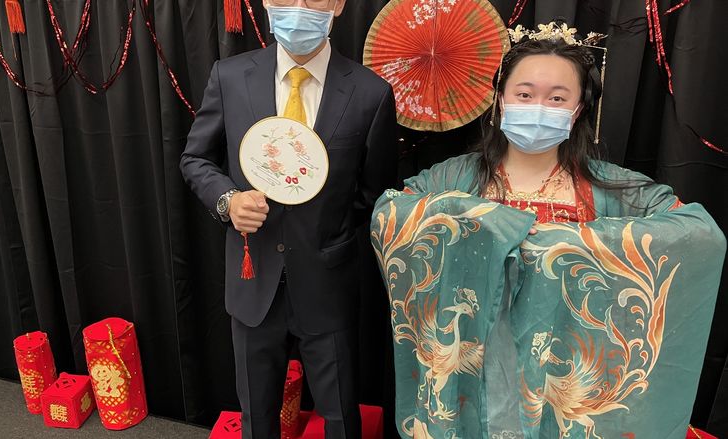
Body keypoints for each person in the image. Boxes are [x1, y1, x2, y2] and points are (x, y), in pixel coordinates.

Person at [370, 24, 726, 439]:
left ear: (577, 111)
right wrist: (474, 216)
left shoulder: (611, 186)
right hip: (476, 357)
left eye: (557, 98)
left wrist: (570, 242)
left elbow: (698, 231)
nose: (539, 106)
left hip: (561, 363)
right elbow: (391, 209)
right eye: (524, 94)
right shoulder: (456, 177)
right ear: (500, 101)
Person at [180, 0, 397, 437]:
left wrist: (326, 224)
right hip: (252, 276)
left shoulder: (371, 93)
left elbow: (375, 192)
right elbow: (196, 158)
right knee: (257, 414)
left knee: (339, 416)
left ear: (336, 5)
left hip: (327, 280)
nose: (297, 8)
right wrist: (228, 201)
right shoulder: (230, 75)